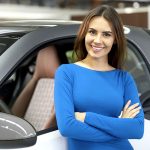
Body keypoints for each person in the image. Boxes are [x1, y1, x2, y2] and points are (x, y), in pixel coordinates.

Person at [54, 5, 144, 150]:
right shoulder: (66, 73)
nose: (97, 40)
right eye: (92, 32)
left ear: (115, 39)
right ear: (85, 33)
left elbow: (137, 129)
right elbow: (67, 127)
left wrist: (86, 117)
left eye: (106, 34)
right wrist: (119, 127)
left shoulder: (124, 79)